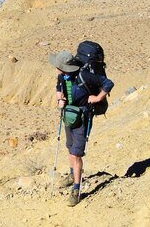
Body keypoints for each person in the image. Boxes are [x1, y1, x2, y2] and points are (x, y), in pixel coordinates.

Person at [49, 50, 113, 206]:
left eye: (58, 66)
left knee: (76, 154)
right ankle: (72, 175)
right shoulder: (61, 76)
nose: (56, 68)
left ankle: (76, 190)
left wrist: (98, 98)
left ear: (66, 67)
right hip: (68, 115)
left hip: (82, 118)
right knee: (70, 147)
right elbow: (59, 89)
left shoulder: (84, 76)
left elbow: (108, 83)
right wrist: (60, 100)